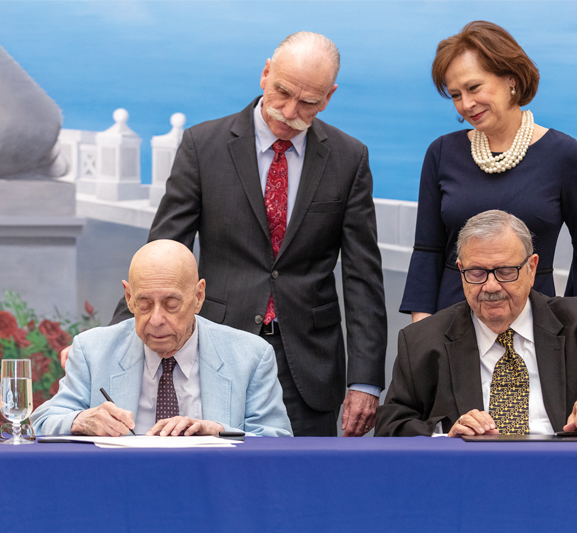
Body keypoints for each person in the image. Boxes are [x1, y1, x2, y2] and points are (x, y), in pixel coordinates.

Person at [80, 32, 386, 437]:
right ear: (265, 74)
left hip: (308, 366)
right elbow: (161, 252)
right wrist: (108, 343)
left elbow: (363, 276)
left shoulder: (349, 158)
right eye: (282, 91)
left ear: (329, 96)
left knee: (299, 489)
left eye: (308, 102)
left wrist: (364, 381)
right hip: (214, 355)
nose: (289, 111)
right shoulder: (203, 146)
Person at [401, 21, 577, 323]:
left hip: (536, 326)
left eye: (474, 87)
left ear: (511, 80)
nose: (466, 104)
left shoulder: (566, 156)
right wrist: (421, 339)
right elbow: (427, 251)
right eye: (455, 94)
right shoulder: (441, 153)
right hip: (452, 327)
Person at [375, 210, 577, 437]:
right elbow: (390, 425)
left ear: (532, 267)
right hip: (471, 483)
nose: (490, 286)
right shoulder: (423, 341)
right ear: (460, 270)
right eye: (476, 272)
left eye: (505, 271)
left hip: (569, 479)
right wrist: (445, 435)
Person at [31, 240, 292, 437]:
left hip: (213, 495)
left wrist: (217, 433)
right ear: (129, 297)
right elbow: (40, 423)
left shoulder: (251, 355)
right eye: (144, 304)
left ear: (199, 296)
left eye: (171, 304)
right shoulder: (92, 351)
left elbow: (278, 440)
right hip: (122, 493)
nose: (156, 319)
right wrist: (81, 421)